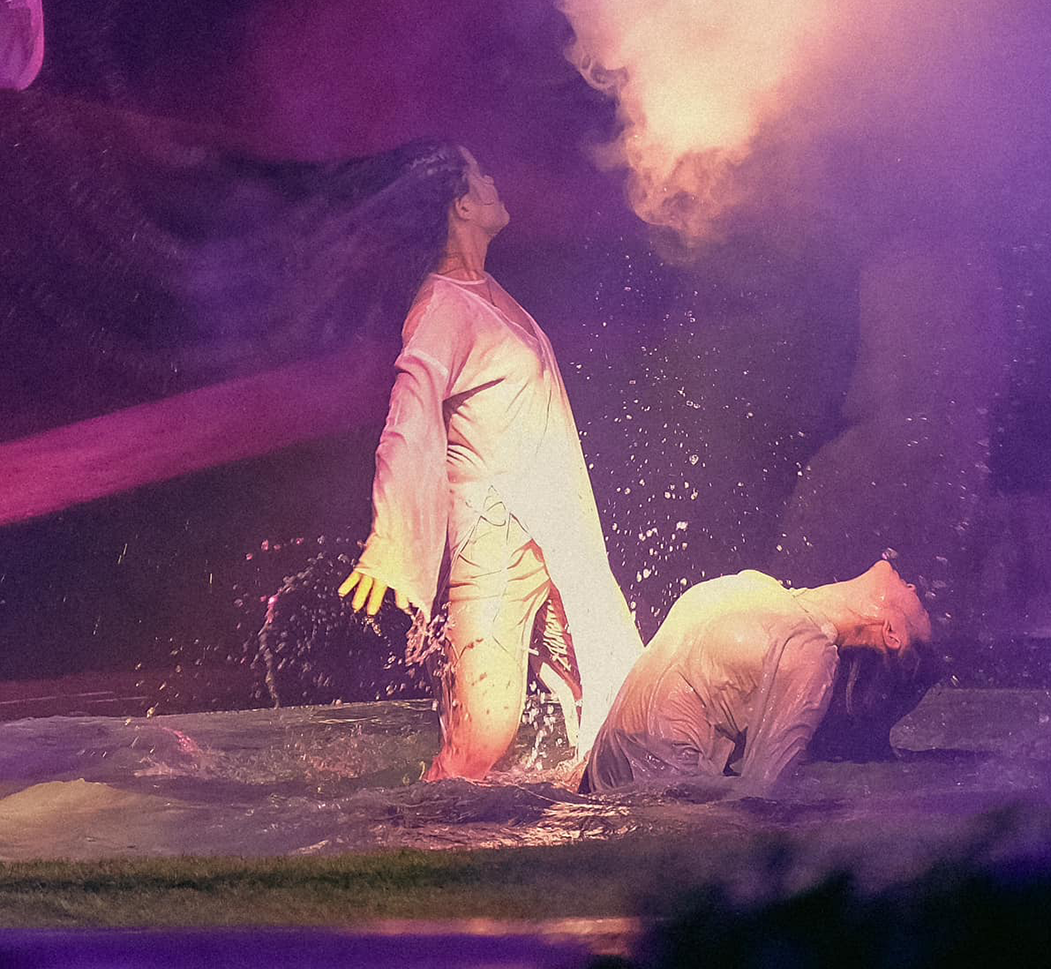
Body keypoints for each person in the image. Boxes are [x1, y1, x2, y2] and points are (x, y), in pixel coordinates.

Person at [339, 146, 641, 779]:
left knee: (620, 703)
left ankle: (581, 829)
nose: (494, 179)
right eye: (481, 173)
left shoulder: (485, 290)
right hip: (498, 548)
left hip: (553, 542)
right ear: (461, 205)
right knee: (475, 750)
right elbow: (408, 413)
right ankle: (400, 836)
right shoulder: (442, 306)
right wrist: (389, 535)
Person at [584, 554, 938, 794]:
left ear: (893, 634)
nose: (914, 588)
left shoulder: (811, 655)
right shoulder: (766, 589)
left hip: (654, 807)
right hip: (609, 789)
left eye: (920, 608)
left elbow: (764, 795)